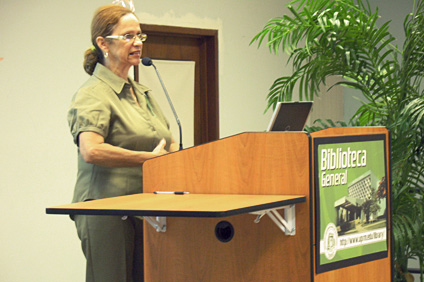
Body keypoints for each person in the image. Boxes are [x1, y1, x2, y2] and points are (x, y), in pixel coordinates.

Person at [67, 4, 178, 282]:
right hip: (105, 209)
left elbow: (167, 142)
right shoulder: (94, 93)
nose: (138, 43)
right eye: (128, 36)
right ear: (103, 43)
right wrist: (145, 158)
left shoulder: (141, 92)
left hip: (145, 208)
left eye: (140, 36)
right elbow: (91, 149)